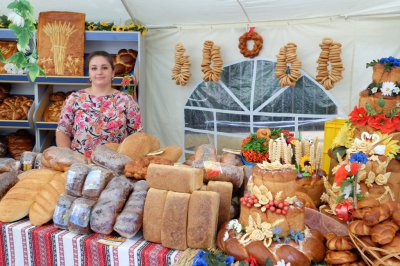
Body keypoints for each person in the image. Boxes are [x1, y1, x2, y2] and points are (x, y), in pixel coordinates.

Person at [56, 51, 142, 157]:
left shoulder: (127, 101)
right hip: (81, 164)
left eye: (105, 68)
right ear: (89, 73)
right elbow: (62, 131)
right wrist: (68, 159)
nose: (99, 72)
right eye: (94, 68)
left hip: (115, 165)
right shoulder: (74, 99)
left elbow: (137, 136)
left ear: (113, 72)